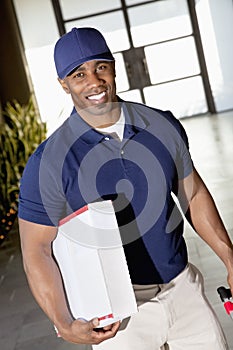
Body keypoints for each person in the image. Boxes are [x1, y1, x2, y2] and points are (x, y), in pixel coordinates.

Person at [18, 27, 233, 350]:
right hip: (115, 314)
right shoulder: (48, 162)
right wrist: (63, 321)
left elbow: (194, 193)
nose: (94, 81)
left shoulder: (162, 124)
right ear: (63, 84)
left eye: (100, 66)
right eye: (78, 74)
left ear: (114, 66)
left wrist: (230, 260)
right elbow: (36, 249)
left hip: (182, 287)